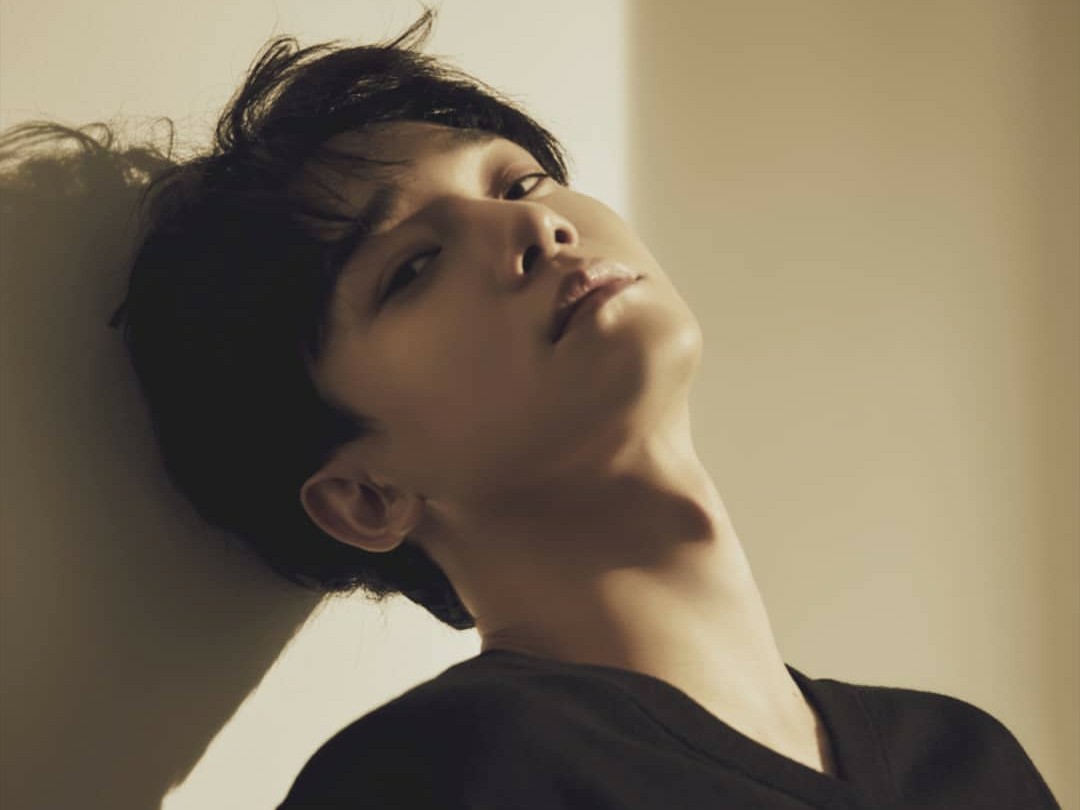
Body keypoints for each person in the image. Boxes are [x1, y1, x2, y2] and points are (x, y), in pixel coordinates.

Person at [109, 9, 1060, 809]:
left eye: (520, 180)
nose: (534, 223)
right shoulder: (439, 776)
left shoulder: (964, 762)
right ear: (366, 496)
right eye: (414, 267)